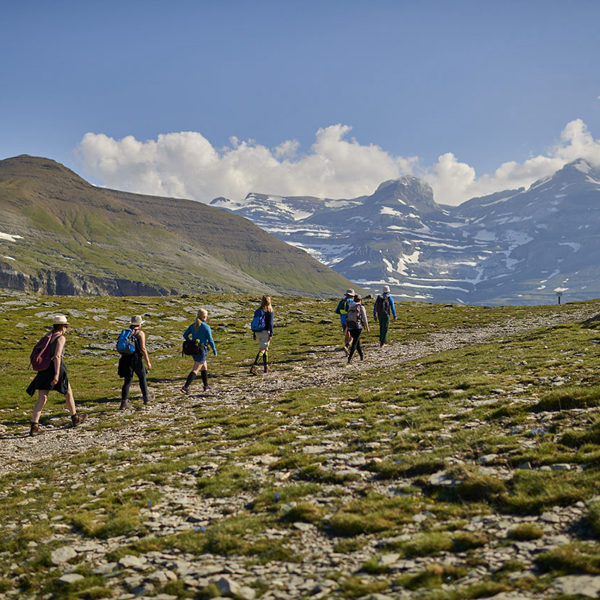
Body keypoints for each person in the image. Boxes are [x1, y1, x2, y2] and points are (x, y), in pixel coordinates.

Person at [26, 315, 86, 436]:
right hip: (56, 367)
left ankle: (34, 426)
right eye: (66, 326)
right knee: (68, 392)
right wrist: (57, 374)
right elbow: (58, 356)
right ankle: (75, 418)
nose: (66, 328)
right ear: (63, 327)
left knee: (42, 397)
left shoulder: (47, 336)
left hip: (44, 369)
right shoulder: (60, 338)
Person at [118, 315, 152, 409]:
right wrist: (148, 362)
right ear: (139, 324)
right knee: (142, 377)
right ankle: (146, 397)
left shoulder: (126, 332)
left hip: (125, 358)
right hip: (136, 358)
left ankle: (124, 402)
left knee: (127, 381)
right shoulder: (140, 333)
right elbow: (143, 349)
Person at [181, 308, 217, 394]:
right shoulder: (206, 327)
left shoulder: (193, 325)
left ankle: (206, 386)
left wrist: (191, 342)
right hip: (202, 349)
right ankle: (185, 387)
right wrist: (214, 350)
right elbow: (210, 340)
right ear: (204, 317)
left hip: (195, 349)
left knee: (204, 367)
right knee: (196, 369)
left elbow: (185, 335)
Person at [250, 295, 274, 375]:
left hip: (257, 332)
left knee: (265, 348)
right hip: (265, 332)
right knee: (262, 350)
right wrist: (271, 334)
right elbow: (270, 324)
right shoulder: (269, 311)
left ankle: (266, 367)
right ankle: (254, 366)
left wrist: (254, 334)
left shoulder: (258, 310)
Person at [345, 294, 369, 364]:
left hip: (350, 326)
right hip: (358, 327)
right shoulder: (361, 307)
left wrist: (347, 328)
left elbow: (347, 317)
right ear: (360, 300)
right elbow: (364, 317)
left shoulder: (350, 306)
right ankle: (350, 357)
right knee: (355, 342)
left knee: (357, 341)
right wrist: (367, 327)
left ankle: (361, 355)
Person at [335, 288, 355, 355]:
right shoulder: (352, 302)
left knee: (346, 334)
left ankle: (346, 347)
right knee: (353, 335)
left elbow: (337, 311)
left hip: (343, 321)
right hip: (350, 320)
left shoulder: (342, 301)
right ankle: (347, 346)